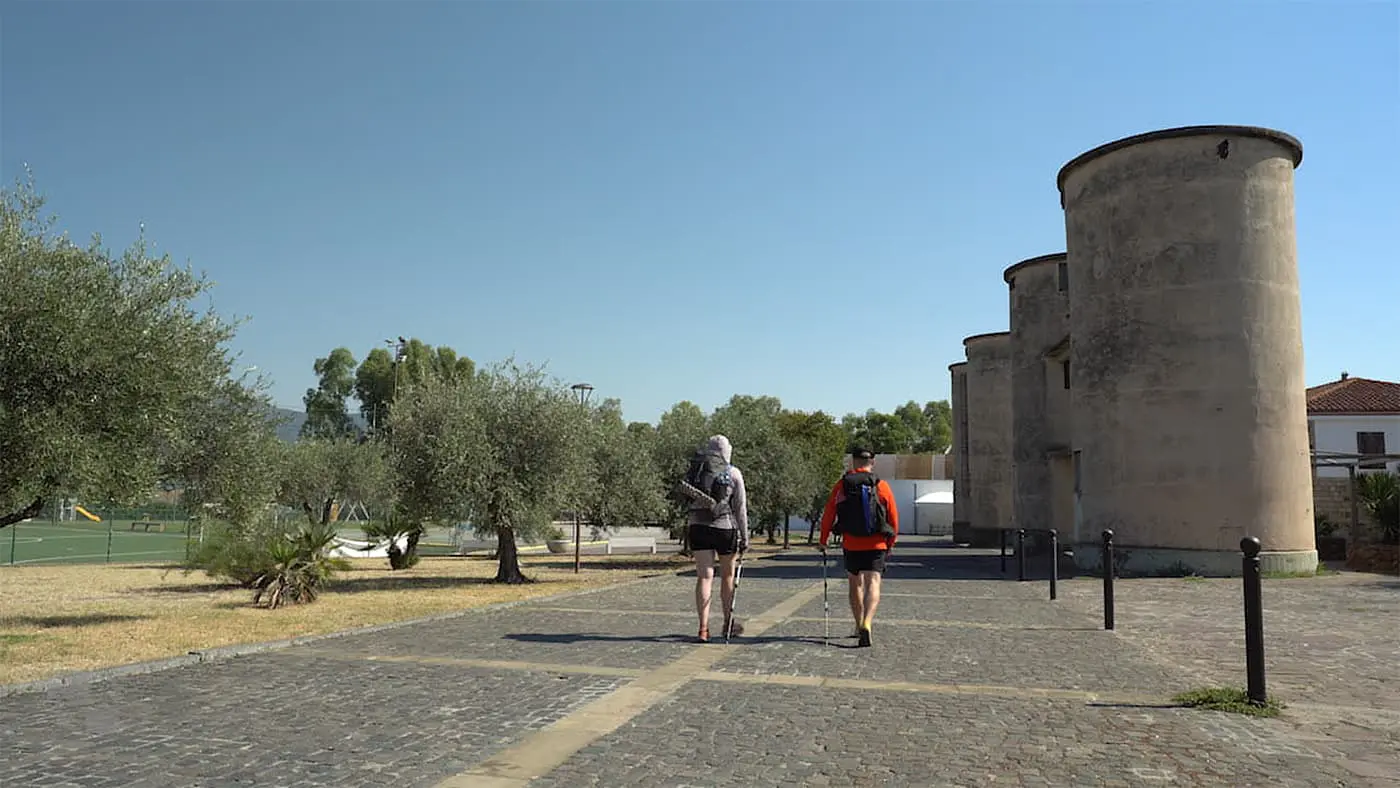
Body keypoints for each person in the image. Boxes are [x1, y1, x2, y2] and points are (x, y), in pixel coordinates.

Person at [818, 447, 899, 648]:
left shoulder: (842, 486)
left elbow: (829, 512)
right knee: (874, 582)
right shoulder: (881, 486)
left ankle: (857, 624)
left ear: (853, 462)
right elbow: (893, 517)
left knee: (855, 584)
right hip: (877, 542)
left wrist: (823, 538)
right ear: (872, 462)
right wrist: (890, 542)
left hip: (851, 542)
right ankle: (867, 622)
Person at [684, 434, 749, 643]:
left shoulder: (697, 470)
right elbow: (740, 508)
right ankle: (728, 622)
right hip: (725, 528)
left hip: (698, 526)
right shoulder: (733, 472)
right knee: (727, 577)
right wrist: (745, 537)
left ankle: (703, 628)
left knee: (704, 577)